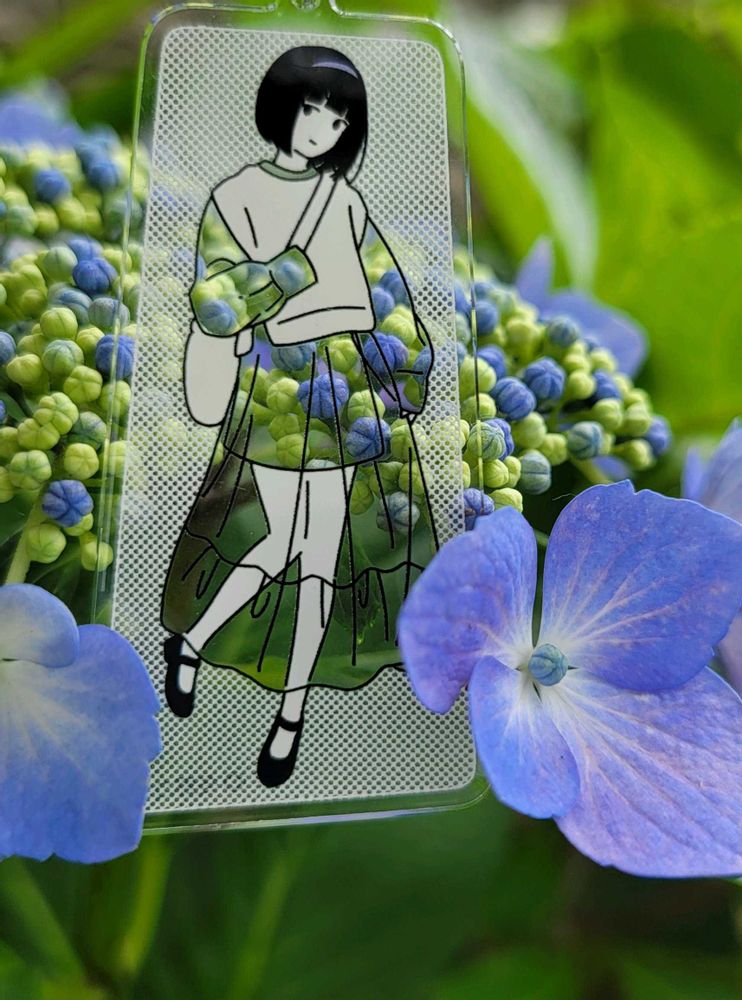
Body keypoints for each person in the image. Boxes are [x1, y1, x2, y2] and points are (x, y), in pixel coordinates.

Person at [161, 45, 437, 788]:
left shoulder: (346, 202)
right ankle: (198, 643)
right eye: (311, 108)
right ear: (281, 107)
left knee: (319, 559)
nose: (321, 127)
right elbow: (217, 301)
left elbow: (378, 295)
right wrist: (282, 290)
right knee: (286, 544)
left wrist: (410, 371)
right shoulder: (234, 196)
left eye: (338, 119)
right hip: (277, 399)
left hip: (345, 388)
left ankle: (287, 716)